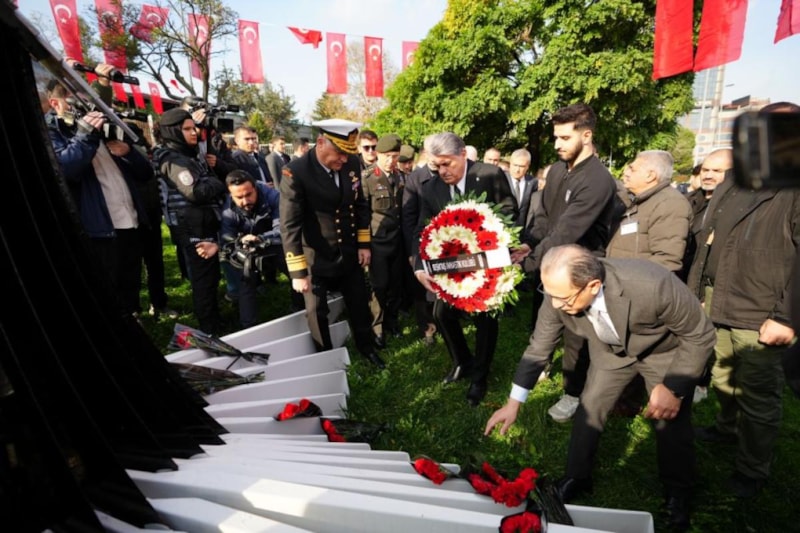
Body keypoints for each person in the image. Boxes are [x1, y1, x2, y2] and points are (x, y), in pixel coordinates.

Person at [485, 244, 716, 531]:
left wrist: (674, 388)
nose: (555, 305)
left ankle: (678, 492)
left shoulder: (653, 284)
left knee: (669, 421)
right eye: (549, 295)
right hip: (610, 353)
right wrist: (514, 403)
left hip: (662, 352)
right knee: (590, 406)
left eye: (563, 299)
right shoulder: (558, 291)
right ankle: (577, 476)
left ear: (593, 285)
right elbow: (539, 347)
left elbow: (700, 334)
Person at [686, 101, 800, 499]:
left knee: (758, 392)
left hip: (762, 309)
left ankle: (752, 469)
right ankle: (727, 428)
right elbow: (708, 239)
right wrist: (699, 293)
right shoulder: (737, 179)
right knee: (722, 376)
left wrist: (787, 317)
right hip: (719, 297)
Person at [511, 102, 623, 422]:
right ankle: (541, 365)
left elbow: (567, 232)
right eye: (555, 137)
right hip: (550, 262)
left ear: (586, 136)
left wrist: (527, 265)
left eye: (564, 137)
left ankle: (573, 393)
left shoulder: (598, 180)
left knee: (577, 337)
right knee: (544, 322)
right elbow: (546, 218)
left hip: (580, 268)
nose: (557, 144)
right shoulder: (558, 170)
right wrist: (529, 244)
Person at [413, 132, 515, 406]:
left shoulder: (489, 175)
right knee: (441, 313)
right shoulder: (431, 188)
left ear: (462, 154)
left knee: (485, 319)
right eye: (437, 166)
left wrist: (490, 230)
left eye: (447, 164)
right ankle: (462, 361)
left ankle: (479, 377)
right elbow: (422, 228)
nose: (442, 171)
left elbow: (510, 209)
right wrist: (419, 266)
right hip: (450, 267)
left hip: (487, 264)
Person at [280, 119, 385, 368]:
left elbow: (360, 205)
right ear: (320, 143)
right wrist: (298, 272)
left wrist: (363, 244)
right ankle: (326, 359)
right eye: (339, 152)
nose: (343, 159)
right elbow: (290, 224)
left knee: (358, 302)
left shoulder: (351, 163)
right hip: (315, 255)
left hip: (348, 250)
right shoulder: (296, 172)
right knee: (317, 312)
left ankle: (367, 347)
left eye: (348, 153)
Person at [45, 77, 152, 320]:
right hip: (99, 229)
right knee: (105, 290)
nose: (84, 110)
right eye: (74, 103)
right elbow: (65, 170)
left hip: (130, 222)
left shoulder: (105, 129)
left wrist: (129, 153)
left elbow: (145, 174)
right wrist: (85, 134)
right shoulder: (54, 132)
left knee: (130, 283)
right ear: (55, 103)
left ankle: (133, 321)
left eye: (86, 103)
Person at [153, 107, 227, 335]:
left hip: (202, 223)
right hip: (192, 228)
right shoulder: (172, 159)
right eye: (187, 129)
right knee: (203, 281)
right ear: (172, 131)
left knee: (210, 277)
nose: (194, 132)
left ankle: (214, 321)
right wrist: (217, 182)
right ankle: (210, 330)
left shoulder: (186, 156)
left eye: (193, 128)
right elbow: (196, 192)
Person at [221, 170, 302, 329]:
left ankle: (301, 309)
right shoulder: (228, 210)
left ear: (256, 188)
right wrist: (240, 242)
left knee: (296, 271)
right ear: (231, 195)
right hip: (248, 247)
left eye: (249, 194)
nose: (245, 201)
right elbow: (226, 237)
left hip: (276, 242)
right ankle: (248, 326)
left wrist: (261, 238)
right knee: (246, 279)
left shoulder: (274, 197)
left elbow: (283, 229)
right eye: (239, 197)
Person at [606, 150, 692, 271]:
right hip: (617, 276)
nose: (626, 173)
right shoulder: (633, 198)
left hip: (635, 280)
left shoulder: (670, 204)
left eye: (632, 169)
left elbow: (666, 261)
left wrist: (631, 278)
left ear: (650, 176)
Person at [362, 134, 405, 347]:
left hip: (398, 240)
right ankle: (377, 327)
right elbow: (362, 214)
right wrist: (364, 245)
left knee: (396, 285)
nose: (391, 160)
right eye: (387, 156)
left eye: (395, 156)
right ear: (378, 154)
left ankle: (392, 322)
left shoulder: (400, 176)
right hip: (377, 242)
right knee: (379, 286)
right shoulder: (367, 178)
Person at [677, 149, 732, 283]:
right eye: (705, 170)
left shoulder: (736, 207)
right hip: (681, 277)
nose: (708, 175)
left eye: (717, 171)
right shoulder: (685, 201)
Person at [403, 149, 438, 344]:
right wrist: (412, 251)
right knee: (421, 288)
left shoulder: (446, 174)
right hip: (420, 240)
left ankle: (441, 320)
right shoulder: (415, 178)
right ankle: (426, 327)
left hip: (442, 239)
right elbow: (408, 217)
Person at [506, 148, 537, 229]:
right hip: (503, 228)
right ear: (510, 163)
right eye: (515, 165)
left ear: (528, 166)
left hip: (523, 229)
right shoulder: (501, 179)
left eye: (521, 166)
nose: (517, 170)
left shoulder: (533, 182)